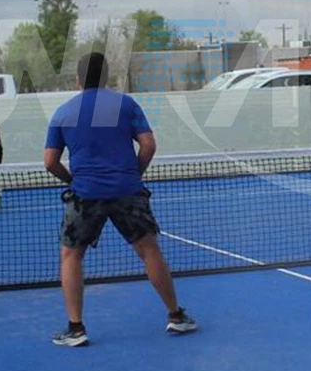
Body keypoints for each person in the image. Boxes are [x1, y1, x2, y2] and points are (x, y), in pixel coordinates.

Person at [43, 52, 198, 347]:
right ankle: (176, 316)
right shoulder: (126, 104)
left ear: (77, 79)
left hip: (85, 194)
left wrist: (72, 181)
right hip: (128, 191)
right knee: (149, 250)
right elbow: (149, 145)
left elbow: (50, 162)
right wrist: (133, 174)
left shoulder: (63, 112)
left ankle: (75, 329)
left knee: (71, 255)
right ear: (106, 77)